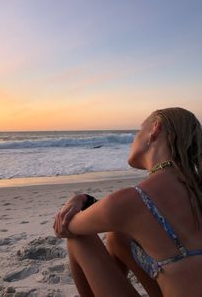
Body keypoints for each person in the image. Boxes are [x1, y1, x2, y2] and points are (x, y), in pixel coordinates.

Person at [53, 107, 202, 297]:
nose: (134, 138)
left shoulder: (135, 199)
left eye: (139, 130)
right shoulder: (195, 188)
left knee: (78, 238)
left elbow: (66, 226)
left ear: (155, 128)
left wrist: (76, 201)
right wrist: (85, 199)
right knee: (118, 237)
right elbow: (124, 216)